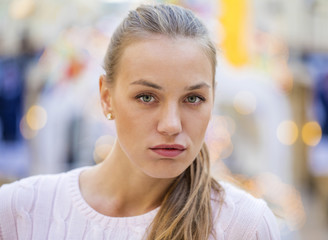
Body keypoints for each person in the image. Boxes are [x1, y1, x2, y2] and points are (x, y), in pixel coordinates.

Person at [0, 4, 280, 240]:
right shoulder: (20, 211)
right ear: (107, 97)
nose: (171, 125)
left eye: (193, 98)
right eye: (147, 97)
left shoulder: (245, 226)